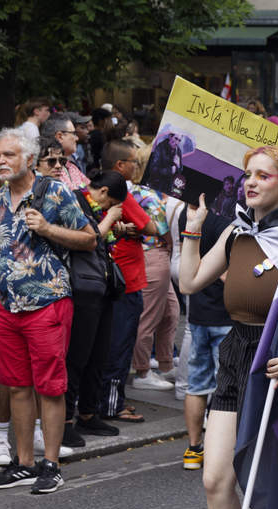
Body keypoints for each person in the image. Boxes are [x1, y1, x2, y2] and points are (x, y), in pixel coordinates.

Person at [179, 146, 278, 509]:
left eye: (263, 175)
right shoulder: (236, 231)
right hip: (236, 354)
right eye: (248, 175)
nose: (251, 182)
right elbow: (189, 282)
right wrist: (194, 226)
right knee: (215, 479)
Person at [0, 128, 96, 494]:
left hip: (47, 303)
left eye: (9, 156)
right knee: (16, 386)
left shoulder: (56, 192)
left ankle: (51, 463)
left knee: (50, 387)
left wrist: (48, 228)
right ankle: (24, 464)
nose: (2, 161)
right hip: (8, 308)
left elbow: (89, 238)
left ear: (29, 160)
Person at [61, 170, 126, 448]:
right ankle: (63, 422)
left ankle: (88, 412)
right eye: (110, 203)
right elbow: (86, 241)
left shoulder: (94, 206)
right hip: (82, 290)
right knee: (77, 356)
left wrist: (114, 230)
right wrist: (109, 220)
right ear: (102, 193)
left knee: (98, 354)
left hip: (102, 288)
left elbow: (101, 244)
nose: (109, 209)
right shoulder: (76, 201)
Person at [99, 145, 159, 422]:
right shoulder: (119, 191)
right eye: (134, 162)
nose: (138, 166)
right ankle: (112, 405)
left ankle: (105, 402)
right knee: (120, 344)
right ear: (120, 165)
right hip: (125, 281)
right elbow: (151, 228)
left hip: (112, 279)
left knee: (110, 343)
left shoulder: (96, 188)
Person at [178, 205, 233, 470]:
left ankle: (194, 448)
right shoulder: (226, 217)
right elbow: (224, 272)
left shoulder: (186, 214)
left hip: (198, 313)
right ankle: (221, 449)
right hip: (225, 315)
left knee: (197, 384)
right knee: (228, 387)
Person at [41, 113, 89, 189]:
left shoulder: (70, 165)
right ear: (60, 136)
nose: (77, 138)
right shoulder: (46, 170)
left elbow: (87, 187)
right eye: (74, 133)